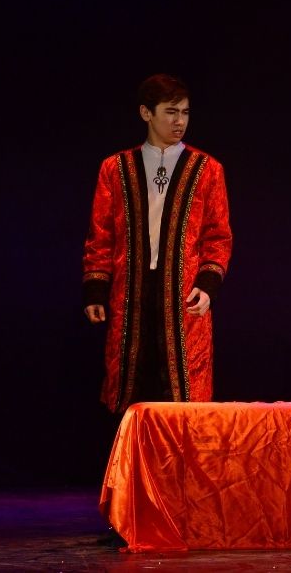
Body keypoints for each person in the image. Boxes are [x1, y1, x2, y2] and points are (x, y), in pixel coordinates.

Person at [82, 73, 232, 414]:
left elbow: (218, 235)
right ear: (146, 113)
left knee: (184, 397)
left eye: (185, 112)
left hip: (183, 296)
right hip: (130, 294)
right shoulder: (115, 168)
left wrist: (208, 285)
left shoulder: (207, 169)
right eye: (171, 112)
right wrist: (95, 288)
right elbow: (101, 233)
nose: (180, 121)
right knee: (130, 388)